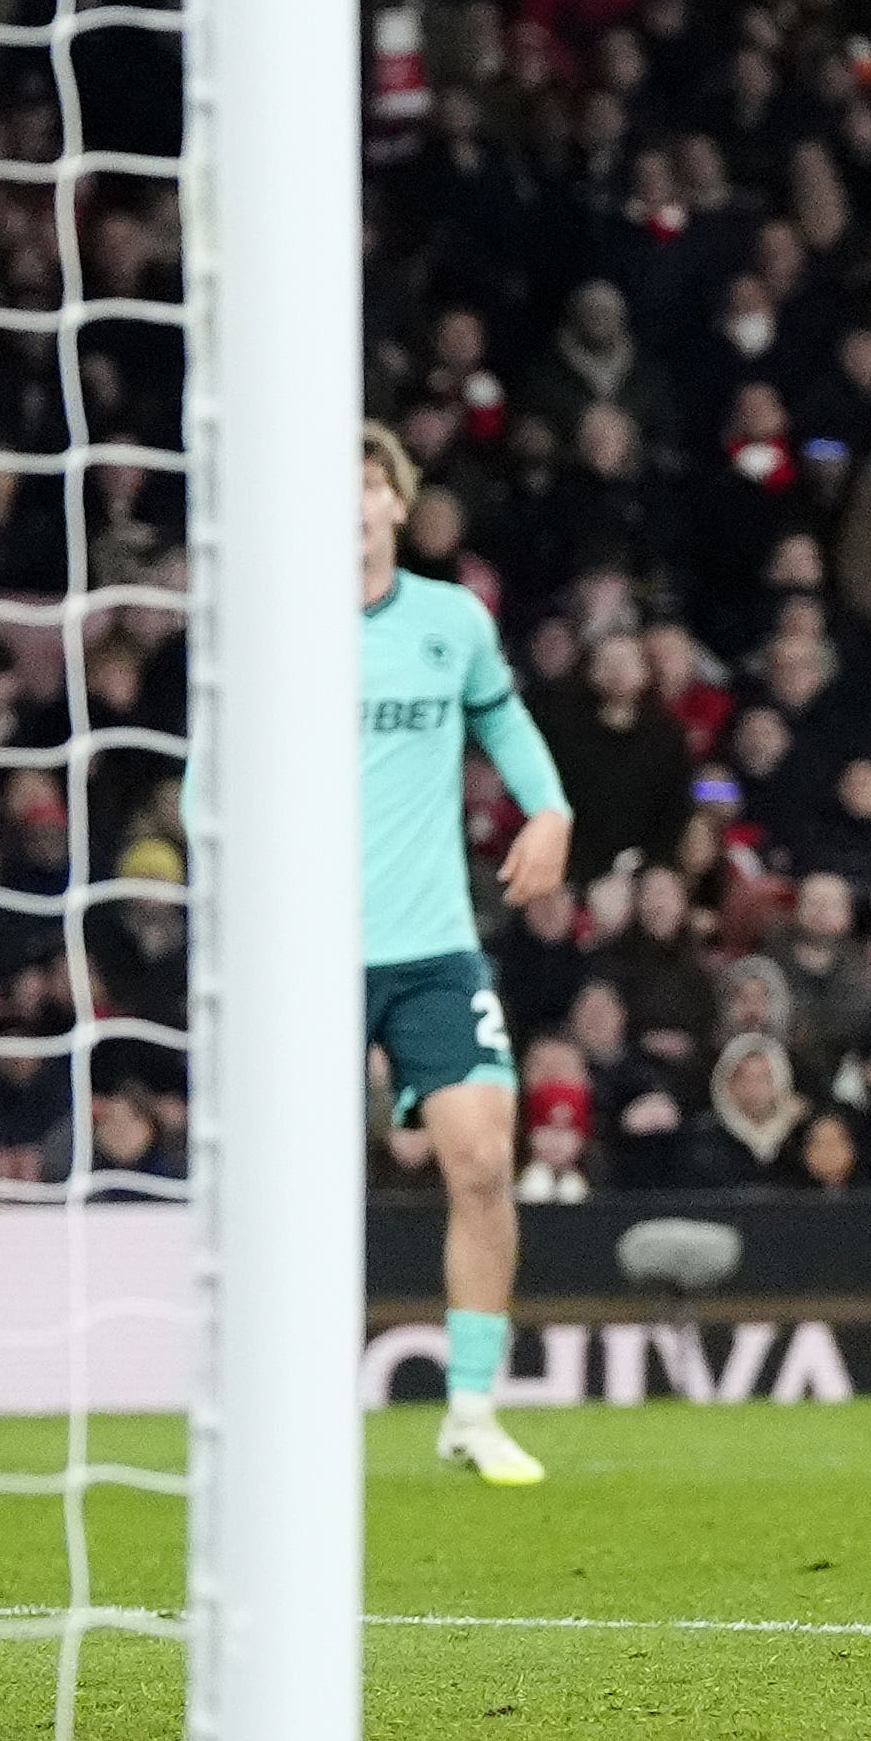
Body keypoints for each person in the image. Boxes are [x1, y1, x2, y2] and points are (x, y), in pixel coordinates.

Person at [363, 423, 576, 1482]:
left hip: (432, 943)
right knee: (278, 1183)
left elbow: (506, 723)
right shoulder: (268, 625)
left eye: (369, 487)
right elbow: (209, 774)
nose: (352, 506)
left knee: (486, 1161)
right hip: (297, 952)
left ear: (398, 505)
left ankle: (471, 1408)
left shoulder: (450, 622)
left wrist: (549, 811)